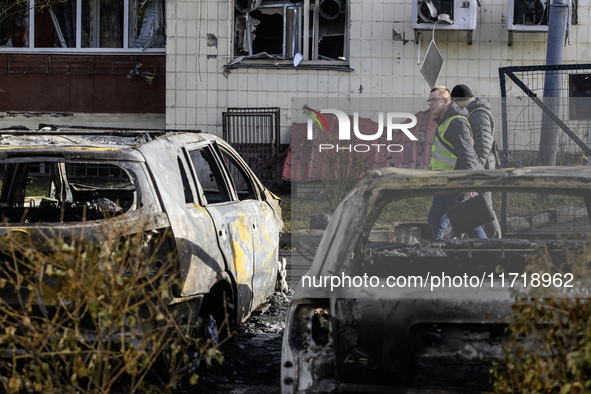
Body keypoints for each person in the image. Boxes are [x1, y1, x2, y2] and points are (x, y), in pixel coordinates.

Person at [426, 86, 487, 240]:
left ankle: (490, 255)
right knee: (435, 222)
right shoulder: (445, 122)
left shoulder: (456, 123)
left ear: (446, 101)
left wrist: (468, 184)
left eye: (434, 100)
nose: (430, 104)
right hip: (444, 184)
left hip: (456, 184)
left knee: (470, 225)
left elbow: (467, 155)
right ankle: (435, 255)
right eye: (429, 100)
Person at [451, 84, 502, 238]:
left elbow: (483, 145)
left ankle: (496, 240)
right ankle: (456, 237)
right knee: (468, 203)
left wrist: (473, 171)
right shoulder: (474, 112)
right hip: (479, 165)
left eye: (456, 102)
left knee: (484, 205)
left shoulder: (479, 114)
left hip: (481, 167)